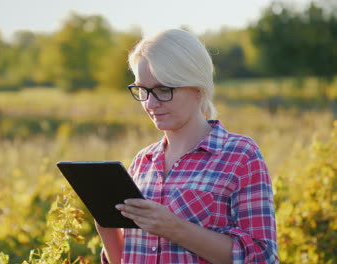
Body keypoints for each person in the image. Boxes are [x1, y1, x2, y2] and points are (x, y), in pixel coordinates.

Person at [95, 29, 278, 264]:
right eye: (143, 89)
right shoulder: (143, 161)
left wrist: (174, 228)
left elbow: (262, 257)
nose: (150, 103)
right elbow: (126, 259)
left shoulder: (241, 155)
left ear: (198, 87)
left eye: (163, 89)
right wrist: (105, 226)